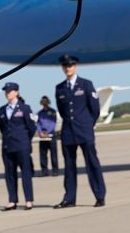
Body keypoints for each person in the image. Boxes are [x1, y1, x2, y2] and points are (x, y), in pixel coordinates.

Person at [52, 55, 106, 208]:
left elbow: (94, 109)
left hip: (84, 131)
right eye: (65, 66)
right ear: (63, 68)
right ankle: (69, 198)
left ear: (75, 67)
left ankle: (99, 195)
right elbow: (62, 110)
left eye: (70, 65)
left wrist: (88, 124)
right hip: (68, 132)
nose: (68, 68)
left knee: (92, 164)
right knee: (69, 167)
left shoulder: (86, 85)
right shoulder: (60, 88)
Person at [0, 83, 36, 211]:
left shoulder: (24, 108)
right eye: (6, 91)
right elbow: (3, 128)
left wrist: (25, 140)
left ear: (16, 92)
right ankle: (12, 200)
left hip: (21, 146)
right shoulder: (2, 109)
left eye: (9, 91)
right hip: (8, 146)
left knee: (25, 173)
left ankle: (29, 200)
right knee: (10, 174)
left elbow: (31, 127)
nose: (7, 93)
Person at [36, 95, 59, 176]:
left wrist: (48, 132)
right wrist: (40, 132)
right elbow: (38, 123)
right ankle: (44, 170)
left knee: (53, 154)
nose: (44, 103)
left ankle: (55, 170)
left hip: (51, 135)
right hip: (42, 136)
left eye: (46, 101)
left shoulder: (52, 112)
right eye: (43, 101)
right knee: (43, 154)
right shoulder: (40, 113)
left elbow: (53, 123)